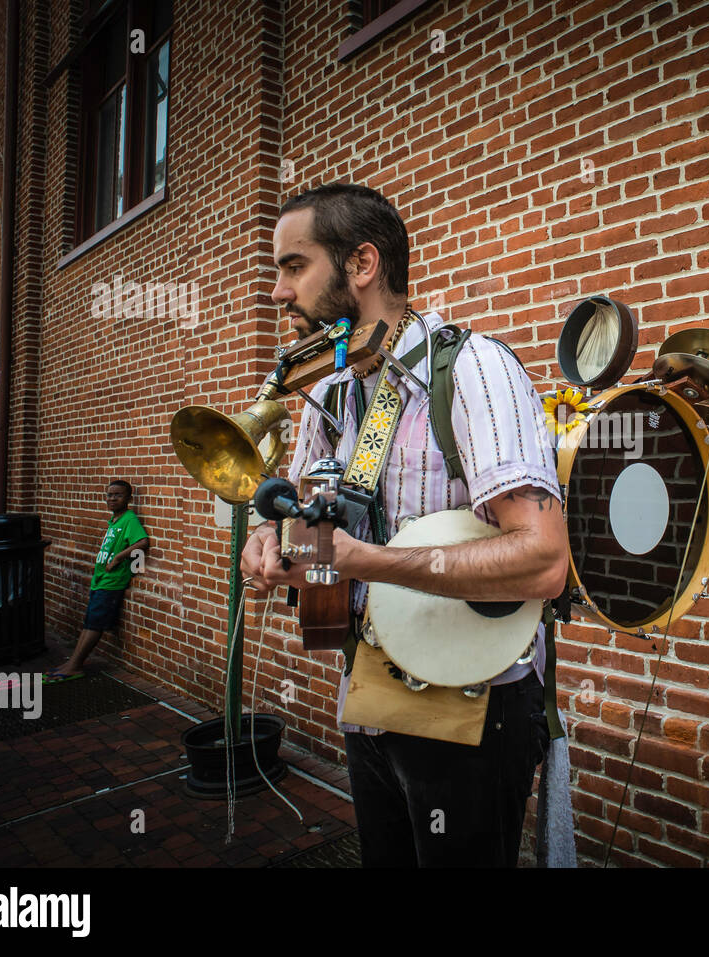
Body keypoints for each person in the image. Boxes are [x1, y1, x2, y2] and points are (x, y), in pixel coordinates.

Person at [241, 183, 569, 866]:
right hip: (366, 695)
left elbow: (543, 560)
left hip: (473, 714)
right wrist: (267, 542)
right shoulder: (327, 395)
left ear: (363, 264)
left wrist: (367, 561)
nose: (277, 291)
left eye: (293, 266)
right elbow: (300, 519)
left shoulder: (476, 369)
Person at [46, 480, 150, 682]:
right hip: (100, 579)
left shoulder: (129, 518)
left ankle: (75, 666)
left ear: (129, 498)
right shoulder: (114, 520)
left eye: (118, 495)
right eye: (109, 495)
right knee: (89, 623)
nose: (112, 498)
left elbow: (143, 542)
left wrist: (119, 558)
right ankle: (72, 662)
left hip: (112, 582)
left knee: (94, 626)